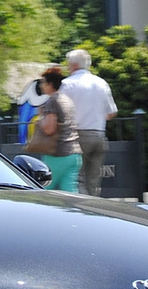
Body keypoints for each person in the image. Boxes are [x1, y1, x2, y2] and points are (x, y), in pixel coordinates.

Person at [60, 48, 117, 196]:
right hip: (99, 135)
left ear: (73, 65)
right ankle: (95, 210)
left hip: (78, 135)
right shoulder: (101, 83)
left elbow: (60, 111)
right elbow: (111, 112)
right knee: (94, 181)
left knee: (77, 178)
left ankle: (83, 211)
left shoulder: (68, 84)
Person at [35, 68, 83, 192]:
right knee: (70, 192)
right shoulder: (67, 100)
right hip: (74, 153)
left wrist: (40, 120)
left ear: (50, 84)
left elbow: (49, 129)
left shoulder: (52, 101)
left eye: (43, 82)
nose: (41, 85)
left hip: (57, 154)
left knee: (44, 189)